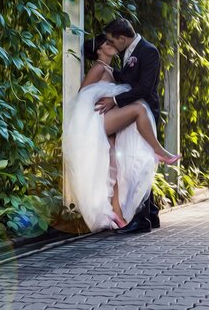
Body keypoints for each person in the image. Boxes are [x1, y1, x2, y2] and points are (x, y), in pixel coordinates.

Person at [62, 33, 179, 233]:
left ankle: (117, 212)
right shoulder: (99, 68)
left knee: (114, 168)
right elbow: (82, 95)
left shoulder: (111, 70)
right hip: (97, 120)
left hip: (106, 120)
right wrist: (91, 118)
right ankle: (158, 150)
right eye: (107, 43)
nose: (112, 44)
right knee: (139, 109)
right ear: (99, 50)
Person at [95, 18, 173, 233]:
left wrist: (115, 100)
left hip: (144, 113)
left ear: (122, 38)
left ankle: (141, 219)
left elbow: (145, 87)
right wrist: (107, 70)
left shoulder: (149, 51)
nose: (111, 44)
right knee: (136, 161)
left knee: (139, 163)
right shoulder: (127, 51)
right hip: (131, 113)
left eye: (112, 40)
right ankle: (151, 213)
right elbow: (128, 78)